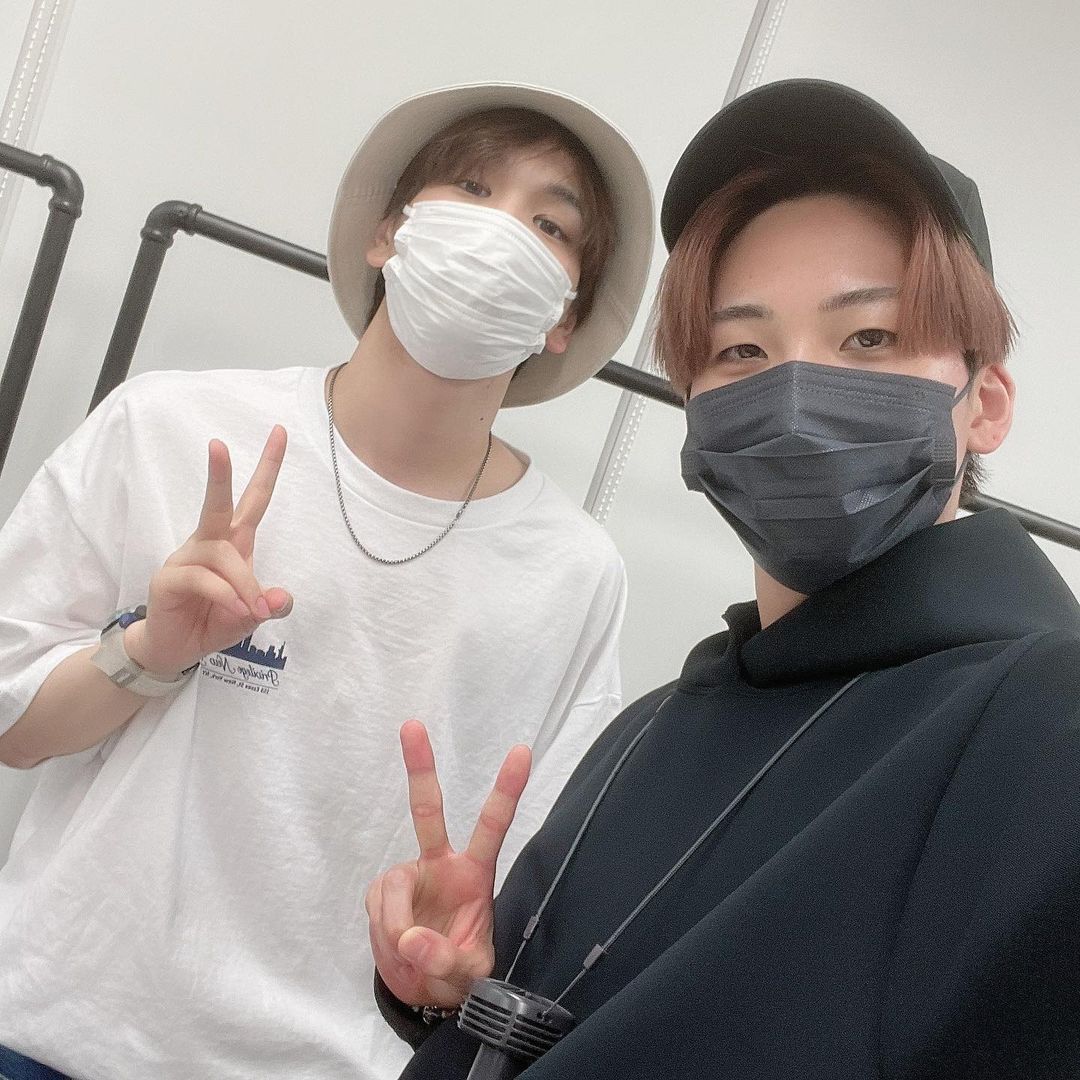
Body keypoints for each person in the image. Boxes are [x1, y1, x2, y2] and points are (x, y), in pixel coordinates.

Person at [366, 79, 1080, 1079]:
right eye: (742, 348)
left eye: (868, 338)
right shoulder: (653, 727)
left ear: (986, 403)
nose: (792, 394)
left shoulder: (1043, 724)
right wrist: (453, 1002)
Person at [0, 83, 653, 1079]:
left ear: (564, 317)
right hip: (56, 1032)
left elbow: (509, 912)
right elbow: (13, 730)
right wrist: (149, 652)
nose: (499, 233)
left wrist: (451, 978)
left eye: (550, 225)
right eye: (473, 188)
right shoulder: (169, 428)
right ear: (388, 233)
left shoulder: (571, 573)